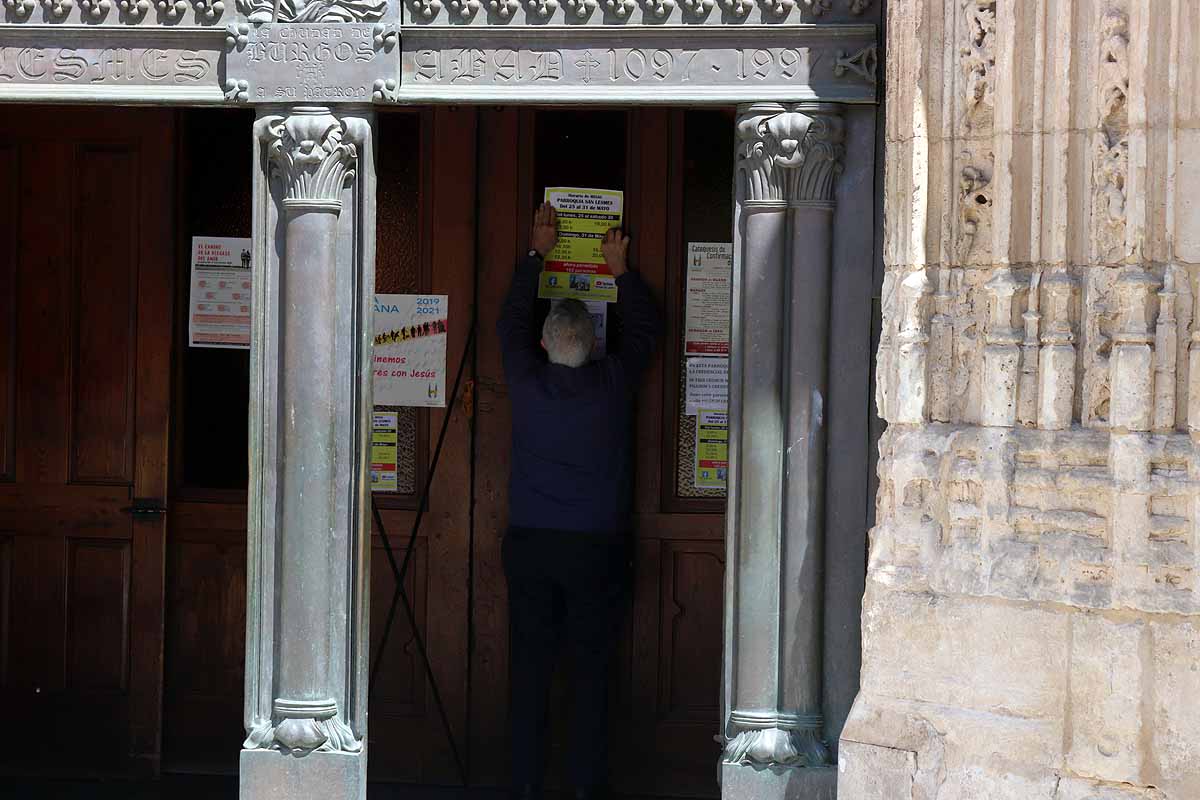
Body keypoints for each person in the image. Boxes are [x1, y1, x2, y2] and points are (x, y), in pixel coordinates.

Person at [497, 202, 660, 800]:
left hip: (534, 545)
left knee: (531, 673)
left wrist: (536, 253)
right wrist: (621, 271)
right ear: (593, 345)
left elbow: (510, 323)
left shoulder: (525, 377)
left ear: (545, 343)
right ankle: (586, 787)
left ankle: (523, 784)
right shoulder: (612, 385)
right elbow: (644, 333)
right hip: (596, 550)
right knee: (592, 677)